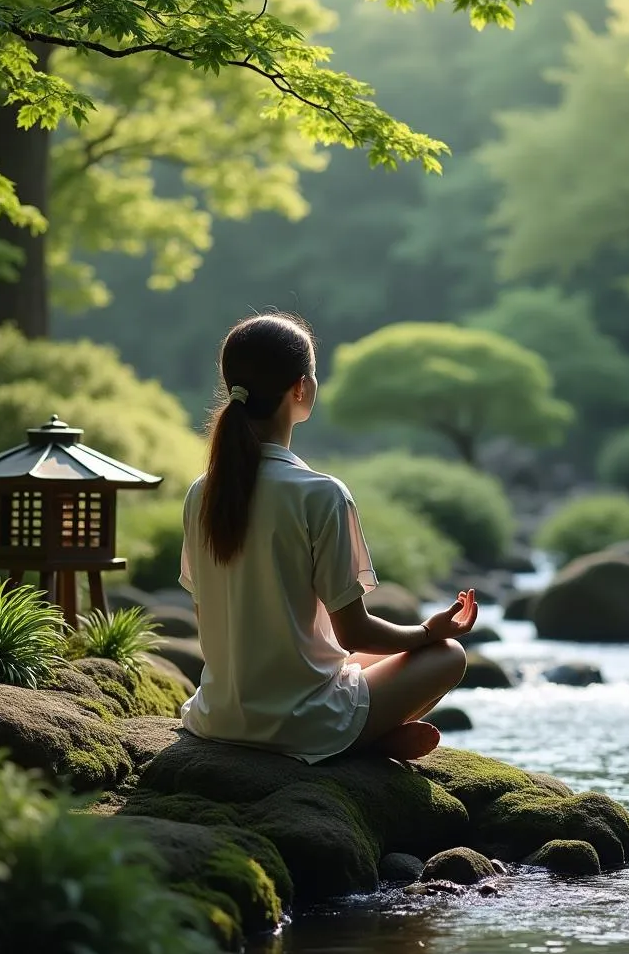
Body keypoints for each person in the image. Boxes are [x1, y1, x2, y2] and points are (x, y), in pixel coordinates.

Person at [178, 311, 478, 763]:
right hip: (297, 724)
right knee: (448, 655)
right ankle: (364, 741)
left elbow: (209, 621)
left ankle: (370, 736)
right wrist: (425, 631)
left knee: (352, 666)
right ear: (302, 387)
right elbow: (354, 630)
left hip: (217, 716)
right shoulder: (321, 494)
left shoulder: (201, 492)